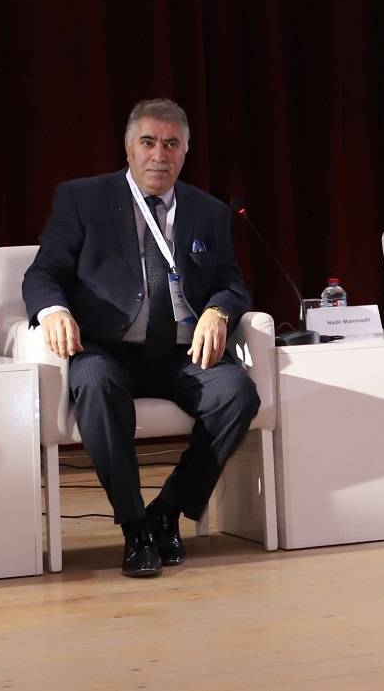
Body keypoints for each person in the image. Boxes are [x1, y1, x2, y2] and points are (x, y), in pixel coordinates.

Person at [23, 98, 261, 576]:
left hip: (182, 352)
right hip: (109, 350)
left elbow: (231, 283)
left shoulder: (209, 212)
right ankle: (135, 528)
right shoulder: (83, 199)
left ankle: (167, 511)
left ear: (186, 151)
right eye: (148, 142)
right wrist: (54, 310)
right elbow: (42, 273)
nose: (159, 155)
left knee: (237, 392)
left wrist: (218, 310)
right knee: (94, 383)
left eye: (171, 144)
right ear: (128, 148)